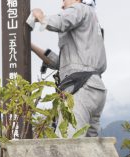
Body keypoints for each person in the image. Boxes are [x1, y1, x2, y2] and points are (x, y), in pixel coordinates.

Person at [31, 0, 107, 137]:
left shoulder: (80, 8)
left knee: (68, 144)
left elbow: (60, 22)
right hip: (95, 88)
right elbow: (60, 63)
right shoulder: (90, 21)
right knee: (90, 148)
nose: (62, 5)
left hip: (81, 88)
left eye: (64, 0)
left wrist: (40, 17)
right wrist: (29, 45)